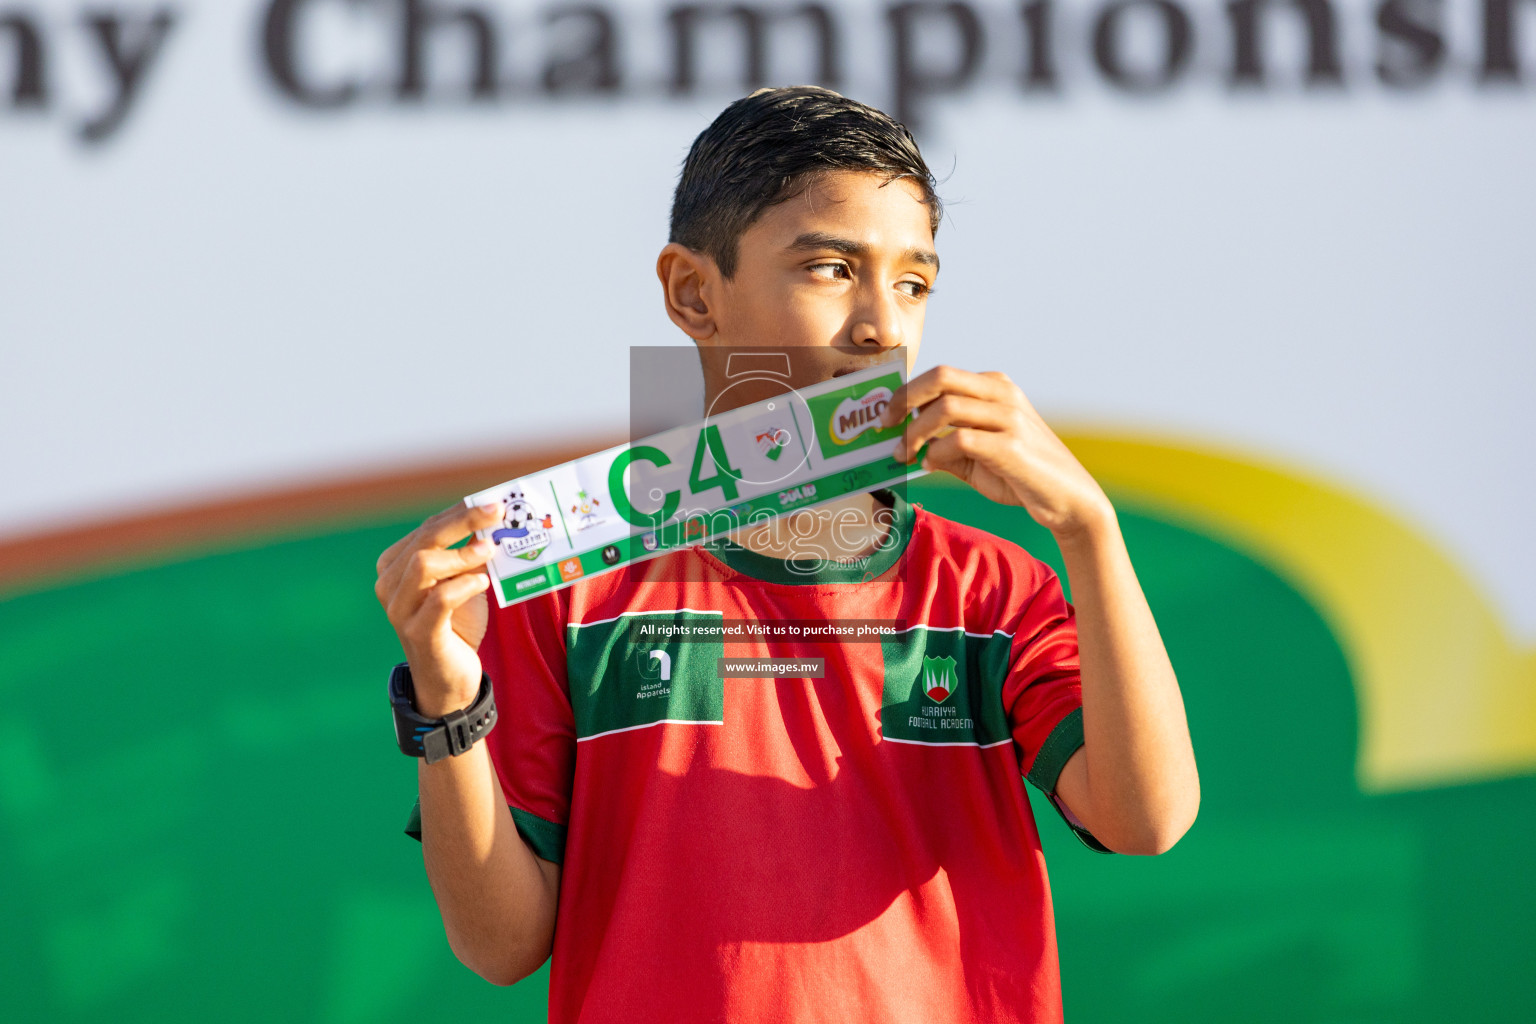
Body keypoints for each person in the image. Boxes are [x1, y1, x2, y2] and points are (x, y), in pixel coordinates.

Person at [373, 86, 1199, 1023]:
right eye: (831, 269)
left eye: (914, 283)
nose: (882, 325)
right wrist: (447, 696)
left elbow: (1147, 820)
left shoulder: (993, 589)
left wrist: (1090, 530)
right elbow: (500, 946)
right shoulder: (567, 587)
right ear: (693, 292)